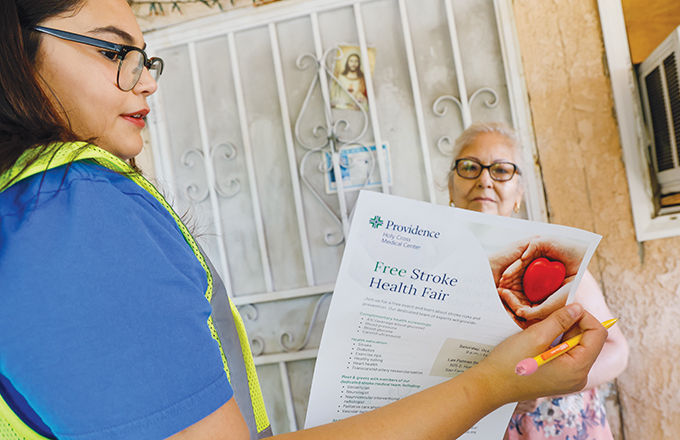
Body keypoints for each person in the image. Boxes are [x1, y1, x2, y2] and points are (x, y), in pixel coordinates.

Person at [0, 1, 610, 439]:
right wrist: (491, 385)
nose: (144, 83)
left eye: (146, 59)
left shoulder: (33, 206)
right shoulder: (67, 208)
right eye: (113, 52)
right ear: (15, 50)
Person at [447, 122, 630, 440]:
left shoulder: (554, 260)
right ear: (450, 187)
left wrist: (543, 388)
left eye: (501, 170)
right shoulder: (434, 268)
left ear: (518, 193)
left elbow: (616, 351)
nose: (484, 180)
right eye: (469, 167)